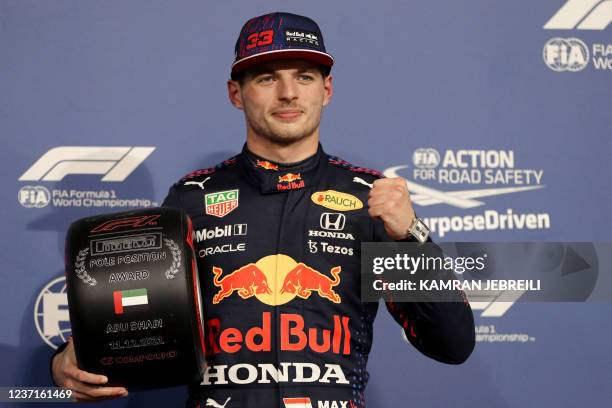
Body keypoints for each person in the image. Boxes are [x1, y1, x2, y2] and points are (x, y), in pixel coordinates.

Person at [51, 12, 475, 407]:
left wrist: (414, 238)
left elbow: (452, 344)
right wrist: (68, 360)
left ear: (326, 90)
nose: (288, 93)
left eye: (304, 77)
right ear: (236, 93)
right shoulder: (190, 198)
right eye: (267, 78)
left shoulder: (371, 199)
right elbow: (139, 318)